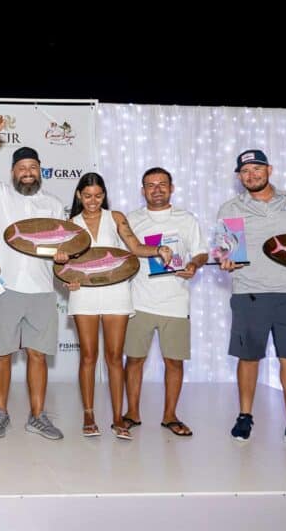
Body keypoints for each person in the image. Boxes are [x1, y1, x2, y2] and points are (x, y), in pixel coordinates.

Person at [218, 149, 286, 454]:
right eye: (245, 171)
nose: (251, 175)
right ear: (239, 176)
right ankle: (245, 416)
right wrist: (225, 260)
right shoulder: (230, 208)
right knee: (248, 357)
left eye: (256, 168)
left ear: (269, 169)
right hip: (249, 291)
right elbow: (227, 251)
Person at [0, 114, 67, 440]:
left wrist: (63, 258)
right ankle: (1, 413)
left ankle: (37, 416)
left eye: (33, 168)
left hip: (42, 291)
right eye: (21, 168)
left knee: (38, 356)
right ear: (13, 172)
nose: (28, 173)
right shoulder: (0, 195)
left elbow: (62, 247)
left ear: (39, 170)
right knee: (1, 354)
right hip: (5, 290)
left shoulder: (54, 204)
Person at [66, 172, 172, 440]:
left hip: (116, 292)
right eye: (88, 196)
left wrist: (158, 250)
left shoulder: (116, 218)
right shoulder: (70, 224)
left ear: (104, 195)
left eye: (98, 195)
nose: (93, 201)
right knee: (88, 356)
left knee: (114, 357)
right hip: (84, 294)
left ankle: (117, 417)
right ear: (79, 195)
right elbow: (63, 263)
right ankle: (88, 414)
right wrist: (67, 277)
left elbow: (135, 246)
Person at [123, 167, 208, 437]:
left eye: (162, 184)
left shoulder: (186, 219)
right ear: (142, 190)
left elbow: (201, 253)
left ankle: (170, 415)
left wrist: (194, 265)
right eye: (150, 185)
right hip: (138, 301)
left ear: (171, 188)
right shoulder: (131, 220)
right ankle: (132, 413)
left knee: (174, 362)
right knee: (134, 360)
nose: (156, 189)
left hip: (176, 301)